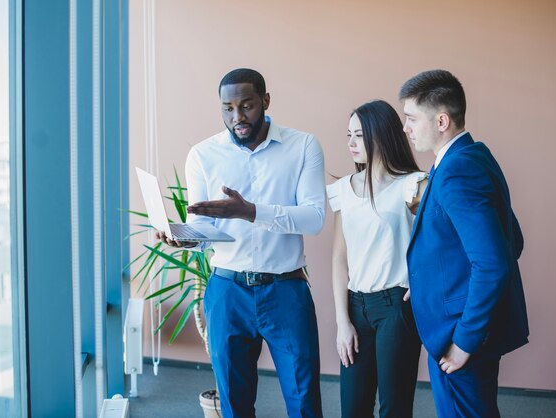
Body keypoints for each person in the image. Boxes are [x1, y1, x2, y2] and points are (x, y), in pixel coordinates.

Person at [158, 68, 326, 418]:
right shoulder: (203, 155)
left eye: (247, 105)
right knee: (234, 403)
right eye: (227, 108)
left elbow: (315, 218)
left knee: (304, 400)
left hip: (286, 291)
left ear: (265, 101)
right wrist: (184, 238)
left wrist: (251, 212)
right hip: (226, 291)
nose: (237, 117)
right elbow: (202, 226)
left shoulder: (303, 146)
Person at [400, 69, 529, 418]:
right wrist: (430, 281)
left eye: (411, 118)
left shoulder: (456, 171)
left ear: (441, 120)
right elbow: (511, 240)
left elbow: (493, 262)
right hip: (466, 324)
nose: (405, 128)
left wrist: (463, 343)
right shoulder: (475, 156)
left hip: (461, 334)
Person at [327, 100, 427, 418]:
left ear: (381, 135)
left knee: (394, 408)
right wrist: (342, 322)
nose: (351, 143)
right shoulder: (343, 189)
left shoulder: (412, 185)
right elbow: (339, 259)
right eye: (348, 135)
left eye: (359, 135)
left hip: (396, 307)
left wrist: (423, 280)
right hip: (356, 307)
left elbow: (445, 243)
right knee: (353, 408)